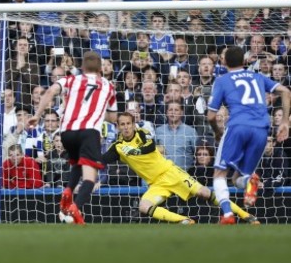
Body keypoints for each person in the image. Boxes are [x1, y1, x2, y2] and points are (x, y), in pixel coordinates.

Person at [102, 113, 259, 224]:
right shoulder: (118, 147)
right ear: (118, 127)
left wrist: (134, 151)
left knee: (204, 193)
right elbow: (101, 160)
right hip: (156, 184)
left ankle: (246, 216)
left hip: (171, 173)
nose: (126, 127)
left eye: (129, 123)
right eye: (122, 124)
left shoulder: (142, 134)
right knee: (144, 206)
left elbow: (149, 148)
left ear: (134, 124)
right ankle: (184, 221)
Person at [28, 51, 117, 225]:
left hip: (66, 133)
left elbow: (50, 91)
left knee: (77, 163)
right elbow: (113, 119)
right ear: (100, 69)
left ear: (82, 67)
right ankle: (75, 209)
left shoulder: (72, 80)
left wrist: (37, 115)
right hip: (89, 132)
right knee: (90, 177)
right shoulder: (109, 86)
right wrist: (96, 110)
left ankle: (68, 191)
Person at [207, 46, 291, 224]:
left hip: (238, 126)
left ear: (223, 62)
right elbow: (286, 91)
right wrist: (285, 121)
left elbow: (211, 116)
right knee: (237, 178)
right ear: (244, 62)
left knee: (219, 174)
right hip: (261, 129)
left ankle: (228, 215)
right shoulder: (258, 76)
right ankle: (249, 180)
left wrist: (217, 132)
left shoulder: (222, 80)